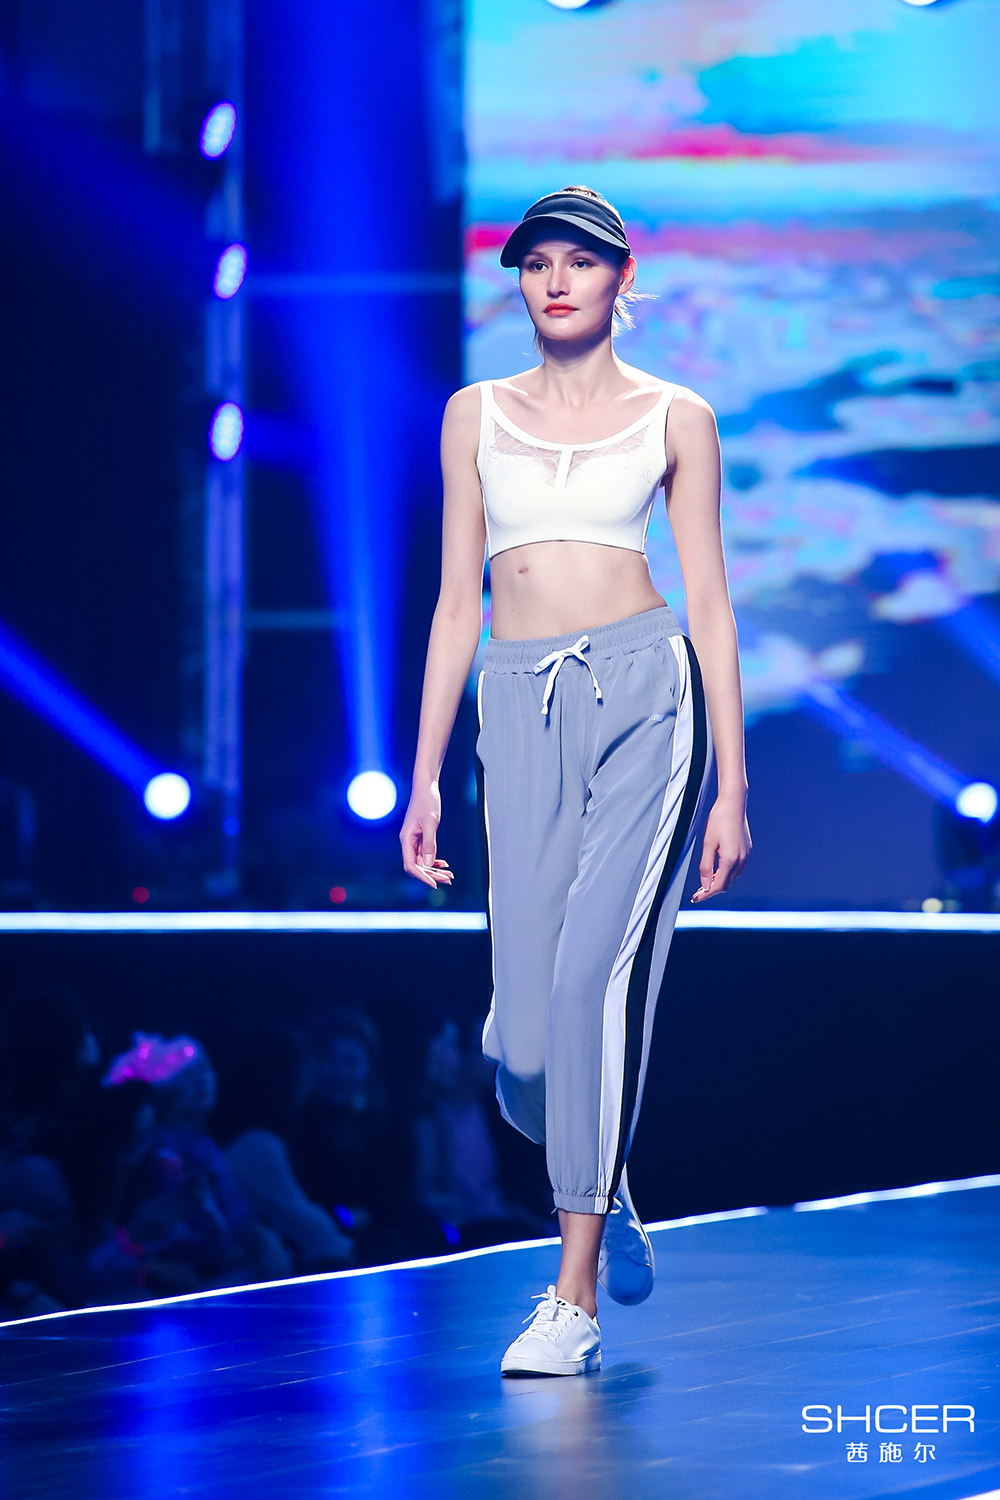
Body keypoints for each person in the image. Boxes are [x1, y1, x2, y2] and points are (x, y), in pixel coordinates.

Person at [400, 185, 751, 1376]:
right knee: (524, 1053)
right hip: (513, 703)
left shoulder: (677, 415)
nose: (555, 280)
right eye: (536, 262)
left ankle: (572, 1296)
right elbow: (456, 603)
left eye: (580, 262)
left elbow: (710, 604)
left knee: (598, 982)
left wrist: (732, 785)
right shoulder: (473, 413)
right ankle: (604, 1180)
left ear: (621, 277)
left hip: (648, 695)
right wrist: (424, 776)